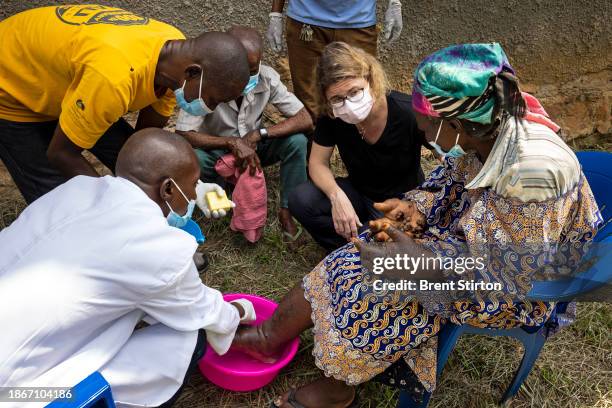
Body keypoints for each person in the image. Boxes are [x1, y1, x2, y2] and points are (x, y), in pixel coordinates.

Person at [232, 43, 602, 407]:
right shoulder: (486, 130)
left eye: (426, 120)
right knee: (354, 254)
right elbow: (447, 182)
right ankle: (268, 335)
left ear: (455, 124)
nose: (420, 124)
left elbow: (510, 275)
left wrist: (420, 263)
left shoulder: (532, 173)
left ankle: (337, 389)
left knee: (381, 286)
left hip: (519, 285)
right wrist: (414, 206)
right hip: (470, 242)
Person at [0, 129, 257, 408]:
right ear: (168, 189)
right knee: (188, 338)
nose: (195, 193)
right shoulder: (159, 248)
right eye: (193, 184)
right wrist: (242, 311)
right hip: (15, 392)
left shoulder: (77, 188)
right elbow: (207, 314)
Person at [0, 5, 249, 204]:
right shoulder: (113, 78)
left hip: (64, 80)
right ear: (193, 73)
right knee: (59, 199)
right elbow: (61, 153)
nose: (211, 108)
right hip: (10, 84)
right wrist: (114, 211)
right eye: (213, 100)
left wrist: (189, 188)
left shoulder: (175, 61)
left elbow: (142, 149)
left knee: (134, 159)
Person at [176, 26, 313, 242]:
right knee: (194, 160)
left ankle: (289, 211)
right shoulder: (205, 81)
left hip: (254, 149)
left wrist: (259, 134)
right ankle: (218, 201)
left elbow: (304, 118)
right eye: (244, 69)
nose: (250, 76)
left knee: (297, 142)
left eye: (254, 68)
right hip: (217, 151)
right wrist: (231, 142)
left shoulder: (266, 78)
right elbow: (184, 133)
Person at [288, 42, 428, 252]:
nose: (348, 105)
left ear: (371, 80)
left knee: (403, 247)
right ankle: (352, 246)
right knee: (301, 199)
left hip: (403, 202)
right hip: (360, 194)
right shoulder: (333, 116)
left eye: (355, 92)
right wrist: (337, 197)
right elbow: (317, 163)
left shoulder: (407, 112)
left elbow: (449, 160)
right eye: (337, 99)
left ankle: (362, 245)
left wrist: (422, 205)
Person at [266, 0, 403, 117]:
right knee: (308, 102)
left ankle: (355, 146)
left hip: (358, 19)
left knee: (361, 98)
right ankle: (315, 145)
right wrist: (275, 13)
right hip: (306, 20)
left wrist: (394, 3)